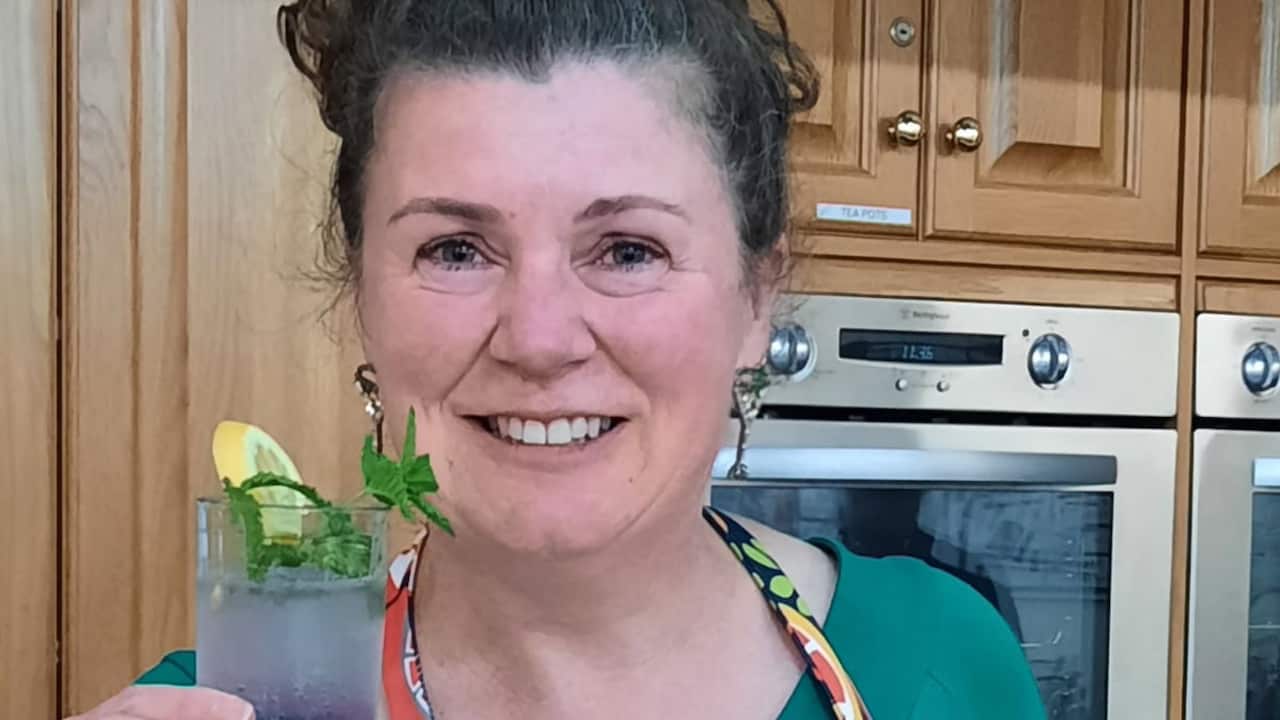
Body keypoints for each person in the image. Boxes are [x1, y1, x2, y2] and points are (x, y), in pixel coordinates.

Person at [70, 1, 1046, 718]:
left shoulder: (943, 668)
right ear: (360, 297)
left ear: (755, 301)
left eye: (627, 250)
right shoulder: (233, 705)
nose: (538, 338)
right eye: (455, 250)